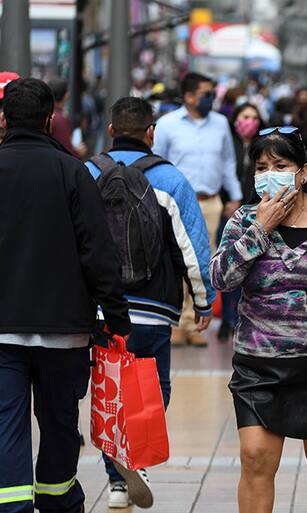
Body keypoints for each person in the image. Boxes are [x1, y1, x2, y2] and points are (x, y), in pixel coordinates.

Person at [210, 127, 307, 513]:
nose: (270, 174)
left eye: (280, 166)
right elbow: (221, 279)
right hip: (258, 365)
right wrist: (260, 229)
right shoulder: (244, 219)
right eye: (262, 167)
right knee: (256, 459)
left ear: (303, 172)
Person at [0, 78, 131, 513]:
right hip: (65, 331)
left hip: (2, 331)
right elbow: (98, 251)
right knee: (59, 423)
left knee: (6, 422)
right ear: (49, 119)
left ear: (4, 119)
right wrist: (117, 316)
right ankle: (58, 501)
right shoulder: (72, 171)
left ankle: (12, 505)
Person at [84, 96, 215, 509]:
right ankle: (136, 458)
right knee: (154, 389)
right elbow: (192, 247)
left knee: (110, 389)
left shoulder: (87, 173)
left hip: (101, 308)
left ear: (110, 130)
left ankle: (116, 481)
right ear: (151, 133)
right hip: (154, 308)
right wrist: (203, 301)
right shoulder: (170, 179)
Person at [153, 72, 242, 346]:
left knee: (203, 263)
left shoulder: (221, 124)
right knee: (176, 260)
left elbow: (228, 162)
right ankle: (177, 322)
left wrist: (235, 196)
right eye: (206, 94)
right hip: (177, 203)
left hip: (211, 202)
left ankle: (195, 323)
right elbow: (156, 162)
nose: (211, 98)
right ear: (189, 96)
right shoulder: (167, 124)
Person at [216, 103, 266, 343]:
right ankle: (227, 320)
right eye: (246, 116)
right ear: (236, 119)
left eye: (255, 117)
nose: (250, 121)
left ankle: (242, 319)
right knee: (230, 265)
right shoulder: (228, 144)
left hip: (257, 213)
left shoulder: (263, 147)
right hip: (229, 212)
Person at [47, 77, 87, 159]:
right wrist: (78, 152)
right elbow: (66, 150)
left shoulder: (47, 114)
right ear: (65, 96)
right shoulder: (59, 119)